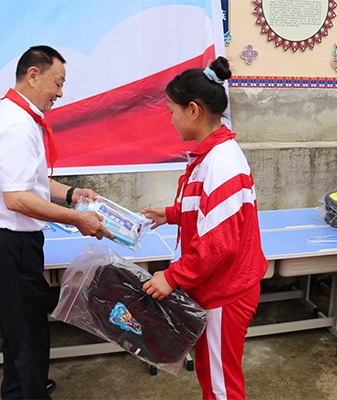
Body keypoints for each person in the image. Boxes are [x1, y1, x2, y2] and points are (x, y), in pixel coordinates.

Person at [0, 45, 112, 399]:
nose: (60, 93)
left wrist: (73, 194)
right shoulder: (15, 125)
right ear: (33, 76)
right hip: (9, 242)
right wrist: (78, 219)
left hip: (12, 241)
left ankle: (19, 389)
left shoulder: (20, 117)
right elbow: (17, 198)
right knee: (28, 331)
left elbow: (32, 182)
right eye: (58, 82)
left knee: (21, 327)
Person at [142, 56, 268, 399]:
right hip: (221, 287)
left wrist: (172, 277)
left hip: (225, 291)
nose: (171, 119)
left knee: (221, 386)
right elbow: (211, 213)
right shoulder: (215, 155)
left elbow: (219, 244)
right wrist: (172, 214)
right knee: (213, 377)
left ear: (193, 110)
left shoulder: (220, 162)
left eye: (172, 111)